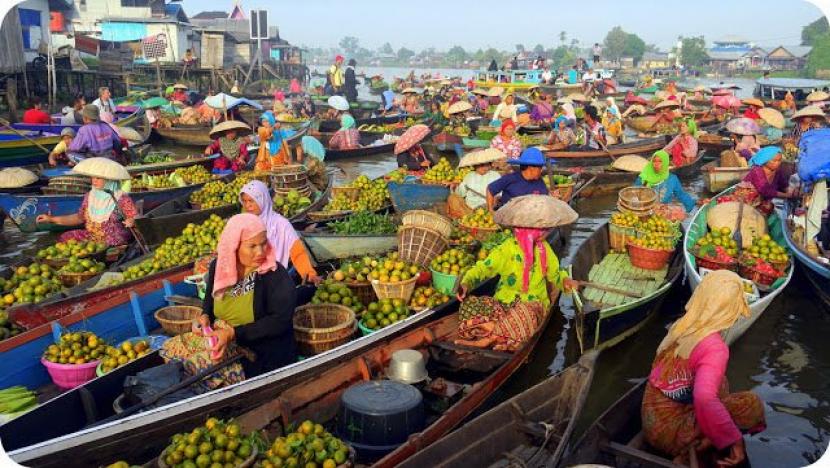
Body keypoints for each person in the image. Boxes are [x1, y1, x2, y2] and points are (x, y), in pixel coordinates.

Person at [642, 270, 765, 466]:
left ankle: (707, 438)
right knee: (751, 404)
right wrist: (735, 440)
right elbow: (704, 398)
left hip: (652, 418)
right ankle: (697, 446)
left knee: (720, 382)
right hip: (671, 433)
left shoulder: (683, 324)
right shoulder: (715, 348)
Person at [199, 213, 298, 377]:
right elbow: (210, 297)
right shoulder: (219, 266)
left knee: (203, 371)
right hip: (222, 338)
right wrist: (205, 315)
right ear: (234, 246)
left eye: (263, 243)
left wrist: (233, 334)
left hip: (261, 352)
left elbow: (279, 321)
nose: (260, 252)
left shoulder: (274, 274)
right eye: (252, 246)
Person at [458, 195, 578, 313]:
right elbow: (483, 268)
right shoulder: (506, 249)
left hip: (535, 305)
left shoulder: (544, 248)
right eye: (544, 229)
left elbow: (555, 274)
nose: (547, 231)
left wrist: (565, 281)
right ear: (533, 231)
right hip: (505, 303)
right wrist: (466, 282)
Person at [36, 157, 136, 246]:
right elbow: (79, 218)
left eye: (98, 178)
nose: (94, 181)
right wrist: (51, 219)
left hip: (113, 238)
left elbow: (134, 217)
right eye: (92, 178)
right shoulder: (90, 196)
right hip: (93, 237)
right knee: (66, 237)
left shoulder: (121, 198)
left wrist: (131, 221)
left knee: (112, 241)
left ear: (109, 180)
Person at [239, 181, 319, 283]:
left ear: (262, 200)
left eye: (251, 201)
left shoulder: (280, 224)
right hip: (249, 279)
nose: (247, 205)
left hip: (273, 279)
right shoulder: (244, 223)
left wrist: (309, 273)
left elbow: (297, 251)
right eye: (244, 201)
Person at [453, 149, 504, 214]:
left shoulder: (495, 175)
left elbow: (500, 194)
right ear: (475, 166)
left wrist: (494, 202)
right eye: (481, 165)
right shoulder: (469, 176)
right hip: (469, 208)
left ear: (490, 165)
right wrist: (458, 186)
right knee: (452, 199)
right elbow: (461, 193)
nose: (485, 168)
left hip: (489, 207)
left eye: (487, 165)